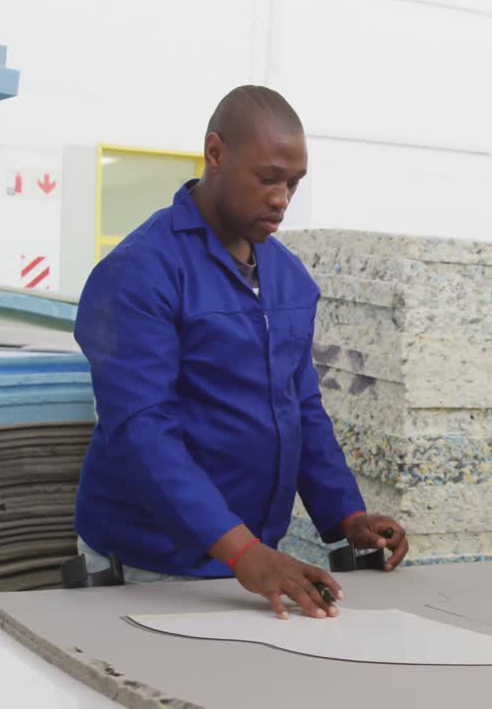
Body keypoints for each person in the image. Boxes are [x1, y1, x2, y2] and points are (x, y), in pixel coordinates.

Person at [73, 85, 408, 619]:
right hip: (147, 564)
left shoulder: (290, 279)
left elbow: (301, 409)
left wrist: (345, 516)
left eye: (293, 184)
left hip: (248, 561)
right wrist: (244, 552)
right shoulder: (141, 271)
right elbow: (141, 429)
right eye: (268, 178)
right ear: (215, 153)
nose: (281, 198)